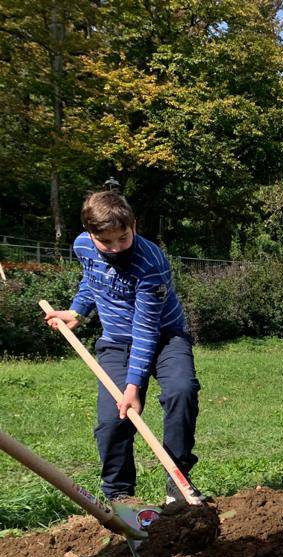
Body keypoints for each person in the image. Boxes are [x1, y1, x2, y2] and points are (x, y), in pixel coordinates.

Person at [44, 191, 200, 504]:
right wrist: (77, 311)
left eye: (123, 238)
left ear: (134, 225)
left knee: (181, 391)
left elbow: (145, 328)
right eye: (106, 242)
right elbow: (93, 280)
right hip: (115, 341)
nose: (115, 248)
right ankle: (120, 497)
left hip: (165, 336)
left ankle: (178, 487)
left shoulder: (151, 262)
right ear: (91, 235)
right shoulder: (83, 246)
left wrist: (133, 386)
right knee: (112, 421)